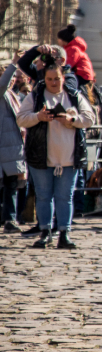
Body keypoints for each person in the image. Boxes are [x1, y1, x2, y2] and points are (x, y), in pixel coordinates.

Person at [16, 59, 95, 248]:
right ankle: (45, 231)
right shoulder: (35, 97)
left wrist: (72, 119)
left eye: (57, 79)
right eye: (50, 79)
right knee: (43, 196)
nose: (53, 82)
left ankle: (64, 233)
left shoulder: (74, 95)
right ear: (45, 78)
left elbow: (90, 118)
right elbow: (21, 119)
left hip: (69, 156)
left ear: (63, 78)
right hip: (41, 155)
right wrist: (38, 117)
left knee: (65, 196)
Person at [1, 62, 28, 233]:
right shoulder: (2, 92)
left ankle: (10, 219)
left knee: (11, 185)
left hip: (12, 147)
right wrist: (14, 63)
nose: (12, 81)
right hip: (3, 147)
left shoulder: (12, 95)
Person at [56, 25, 95, 95]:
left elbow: (68, 64)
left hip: (82, 75)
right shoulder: (70, 48)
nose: (57, 41)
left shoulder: (73, 49)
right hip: (80, 73)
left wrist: (57, 67)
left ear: (63, 39)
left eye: (58, 39)